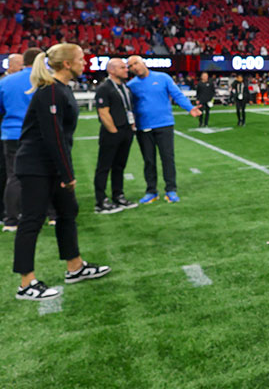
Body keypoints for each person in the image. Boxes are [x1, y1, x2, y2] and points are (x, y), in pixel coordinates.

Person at [13, 44, 110, 301]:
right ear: (67, 64)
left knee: (68, 212)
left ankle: (75, 267)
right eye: (80, 59)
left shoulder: (62, 89)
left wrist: (64, 172)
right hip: (36, 166)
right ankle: (26, 283)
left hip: (51, 166)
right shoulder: (50, 92)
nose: (84, 63)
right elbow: (53, 137)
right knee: (32, 220)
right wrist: (68, 175)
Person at [126, 55, 201, 204]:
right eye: (130, 66)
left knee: (167, 158)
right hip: (143, 127)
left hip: (164, 124)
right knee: (149, 160)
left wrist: (190, 108)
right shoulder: (131, 85)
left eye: (136, 63)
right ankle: (151, 191)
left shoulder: (163, 77)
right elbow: (130, 107)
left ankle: (171, 190)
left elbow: (177, 95)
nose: (134, 67)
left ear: (143, 63)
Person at [0, 48, 51, 231]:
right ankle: (51, 215)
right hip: (38, 134)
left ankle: (11, 220)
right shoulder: (45, 81)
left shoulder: (6, 82)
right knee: (47, 172)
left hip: (11, 134)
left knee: (13, 176)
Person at [93, 58, 138, 213]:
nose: (126, 69)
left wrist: (130, 127)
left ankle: (118, 195)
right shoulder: (104, 88)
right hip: (112, 132)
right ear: (111, 70)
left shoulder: (125, 86)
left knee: (119, 166)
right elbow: (103, 113)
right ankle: (101, 200)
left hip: (126, 131)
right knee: (104, 167)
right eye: (122, 67)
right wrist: (113, 131)